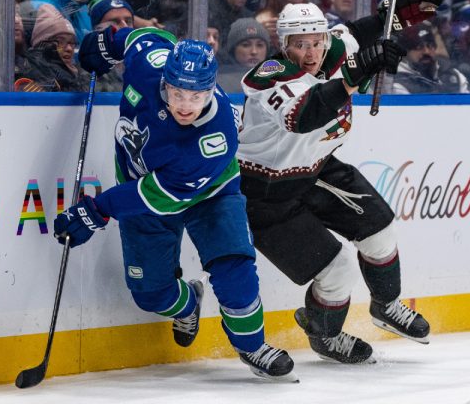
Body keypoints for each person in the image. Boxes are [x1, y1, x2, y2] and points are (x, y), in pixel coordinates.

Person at [56, 25, 296, 381]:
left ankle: (252, 346)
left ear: (210, 90)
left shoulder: (214, 139)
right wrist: (107, 43)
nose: (186, 105)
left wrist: (97, 210)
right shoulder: (147, 65)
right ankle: (188, 302)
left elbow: (157, 197)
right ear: (165, 80)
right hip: (138, 184)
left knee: (234, 269)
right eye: (178, 93)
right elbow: (142, 38)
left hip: (210, 194)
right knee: (150, 293)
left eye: (196, 96)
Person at [237, 0, 440, 364]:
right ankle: (325, 335)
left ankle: (387, 306)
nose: (311, 52)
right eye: (299, 45)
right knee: (337, 271)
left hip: (317, 168)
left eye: (316, 41)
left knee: (380, 231)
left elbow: (361, 33)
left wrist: (395, 17)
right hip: (267, 193)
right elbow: (305, 115)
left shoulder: (332, 47)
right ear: (284, 46)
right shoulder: (271, 78)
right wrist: (357, 72)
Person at [18, 4, 89, 92]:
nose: (69, 49)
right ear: (43, 44)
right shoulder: (32, 76)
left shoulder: (78, 74)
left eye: (71, 42)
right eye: (60, 42)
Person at [393, 21, 470, 93]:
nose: (426, 51)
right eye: (419, 47)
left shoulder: (454, 76)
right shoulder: (396, 82)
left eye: (430, 46)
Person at [217, 17, 270, 92]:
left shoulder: (278, 79)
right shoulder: (219, 81)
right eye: (246, 45)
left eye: (260, 45)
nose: (254, 52)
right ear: (233, 50)